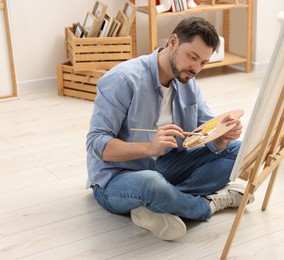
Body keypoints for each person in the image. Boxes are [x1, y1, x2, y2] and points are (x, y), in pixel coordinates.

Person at [86, 16, 254, 241]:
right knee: (150, 183)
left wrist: (221, 137)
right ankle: (207, 205)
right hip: (118, 178)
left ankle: (157, 204)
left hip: (165, 166)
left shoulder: (187, 80)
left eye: (203, 63)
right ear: (173, 42)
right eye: (192, 57)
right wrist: (148, 148)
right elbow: (96, 143)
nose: (195, 68)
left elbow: (204, 132)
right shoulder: (123, 79)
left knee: (238, 150)